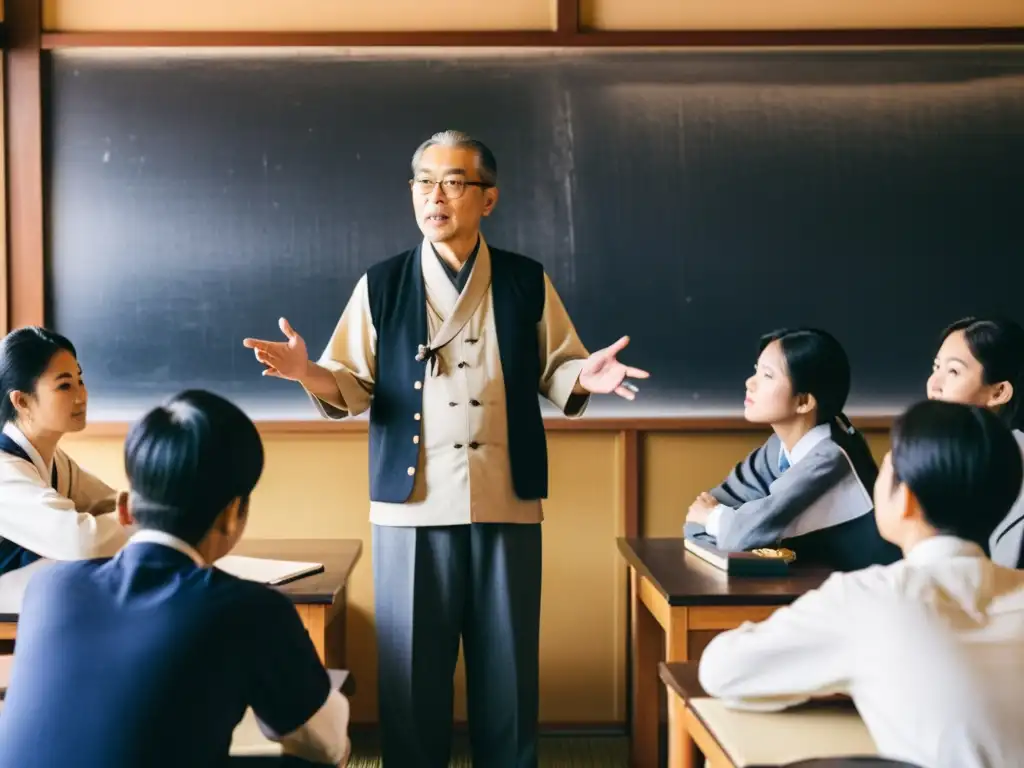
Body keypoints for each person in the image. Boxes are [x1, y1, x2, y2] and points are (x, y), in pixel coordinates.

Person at [242, 129, 648, 767]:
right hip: (411, 506)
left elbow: (559, 367)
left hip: (505, 499)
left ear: (488, 198)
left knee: (508, 670)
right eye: (424, 183)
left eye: (454, 182)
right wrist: (306, 372)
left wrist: (584, 378)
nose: (436, 196)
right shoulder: (382, 284)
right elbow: (350, 384)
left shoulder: (525, 280)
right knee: (411, 675)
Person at [0, 390, 350, 768]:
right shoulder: (250, 609)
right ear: (233, 514)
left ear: (124, 509)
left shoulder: (49, 587)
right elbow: (327, 747)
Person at [698, 400, 1024, 768]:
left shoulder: (872, 598)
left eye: (887, 468)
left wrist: (836, 671)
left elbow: (721, 670)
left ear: (906, 499)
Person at [686, 328, 900, 571]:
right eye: (756, 370)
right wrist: (719, 522)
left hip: (871, 585)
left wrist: (713, 518)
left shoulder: (830, 458)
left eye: (767, 375)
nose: (750, 383)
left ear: (803, 401)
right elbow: (701, 518)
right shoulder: (777, 447)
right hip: (813, 581)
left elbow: (740, 535)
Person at [0, 326, 128, 576]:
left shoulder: (55, 461)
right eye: (65, 386)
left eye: (80, 381)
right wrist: (145, 520)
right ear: (22, 401)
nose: (81, 396)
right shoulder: (4, 473)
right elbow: (81, 542)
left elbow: (108, 502)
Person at [926, 315, 1024, 567]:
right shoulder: (945, 455)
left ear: (999, 392)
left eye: (953, 371)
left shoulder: (1012, 462)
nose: (934, 385)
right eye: (936, 368)